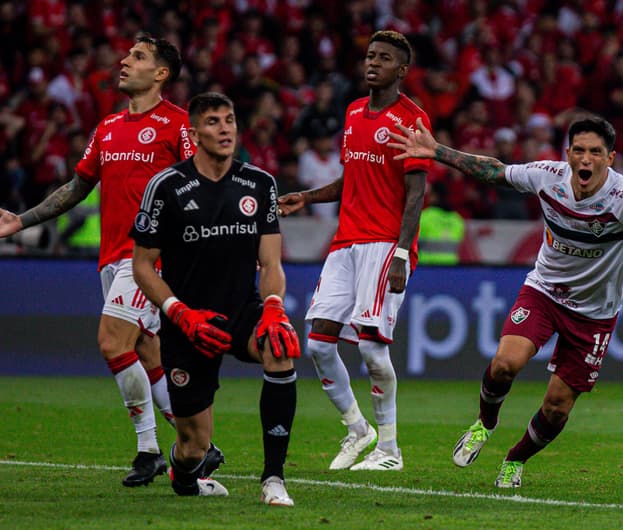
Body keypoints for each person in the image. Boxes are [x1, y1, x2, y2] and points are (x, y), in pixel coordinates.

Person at [388, 114, 623, 488]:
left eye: (596, 152)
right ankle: (484, 424)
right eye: (580, 151)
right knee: (506, 363)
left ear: (610, 158)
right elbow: (495, 171)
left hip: (595, 314)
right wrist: (437, 150)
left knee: (556, 408)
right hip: (544, 292)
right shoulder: (547, 176)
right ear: (568, 153)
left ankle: (515, 459)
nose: (586, 159)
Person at [0, 35, 192, 487]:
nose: (124, 61)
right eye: (127, 55)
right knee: (145, 354)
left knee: (111, 341)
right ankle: (197, 445)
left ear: (161, 74)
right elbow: (77, 187)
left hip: (149, 258)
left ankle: (149, 450)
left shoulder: (179, 125)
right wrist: (20, 221)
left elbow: (201, 186)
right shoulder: (107, 127)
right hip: (111, 259)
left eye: (138, 57)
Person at [130, 92, 300, 504]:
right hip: (186, 323)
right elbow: (141, 266)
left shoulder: (260, 185)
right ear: (194, 133)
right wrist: (179, 313)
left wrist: (274, 306)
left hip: (241, 310)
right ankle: (184, 474)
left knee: (279, 348)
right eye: (213, 122)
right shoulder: (167, 187)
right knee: (194, 447)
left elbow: (271, 262)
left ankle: (273, 479)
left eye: (229, 120)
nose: (224, 129)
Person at [278, 30, 431, 471]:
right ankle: (357, 429)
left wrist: (402, 253)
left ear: (401, 70)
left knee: (370, 349)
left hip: (385, 245)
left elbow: (415, 192)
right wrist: (306, 197)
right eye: (369, 55)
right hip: (345, 242)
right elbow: (353, 179)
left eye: (384, 58)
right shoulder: (353, 112)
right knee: (318, 344)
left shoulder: (412, 120)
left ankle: (389, 451)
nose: (373, 63)